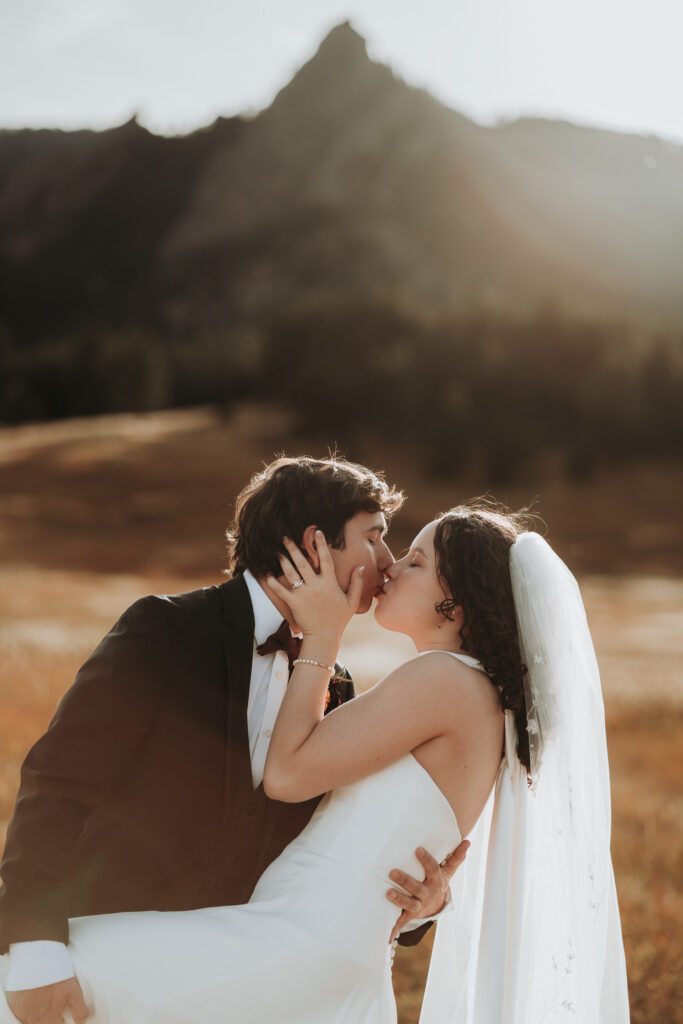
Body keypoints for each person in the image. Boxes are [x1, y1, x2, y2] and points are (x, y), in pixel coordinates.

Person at [0, 498, 630, 1023]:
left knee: (46, 980)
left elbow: (287, 776)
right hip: (310, 946)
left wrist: (323, 638)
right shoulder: (466, 694)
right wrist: (432, 900)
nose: (390, 568)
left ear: (454, 604)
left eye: (414, 560)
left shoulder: (440, 679)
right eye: (386, 545)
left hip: (296, 945)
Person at [0, 456, 465, 1024]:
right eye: (374, 538)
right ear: (316, 545)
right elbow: (56, 787)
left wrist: (422, 908)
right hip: (98, 966)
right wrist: (34, 952)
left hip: (229, 992)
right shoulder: (165, 630)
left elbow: (331, 853)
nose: (388, 564)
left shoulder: (332, 683)